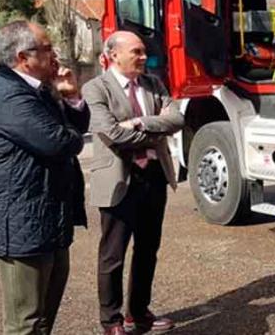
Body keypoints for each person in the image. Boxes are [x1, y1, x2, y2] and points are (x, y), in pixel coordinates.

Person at [0, 21, 90, 335]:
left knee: (43, 316)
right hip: (20, 226)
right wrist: (69, 135)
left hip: (45, 217)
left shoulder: (35, 88)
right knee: (25, 323)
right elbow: (59, 143)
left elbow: (75, 128)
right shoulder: (8, 95)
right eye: (46, 47)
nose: (54, 54)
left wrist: (69, 95)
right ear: (22, 57)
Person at [82, 31, 184, 335]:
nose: (143, 57)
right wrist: (156, 129)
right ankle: (111, 321)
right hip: (118, 180)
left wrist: (141, 123)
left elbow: (177, 119)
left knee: (147, 249)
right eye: (137, 52)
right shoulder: (95, 88)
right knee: (113, 254)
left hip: (153, 176)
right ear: (113, 55)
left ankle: (138, 314)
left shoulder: (153, 83)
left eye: (143, 52)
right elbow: (111, 134)